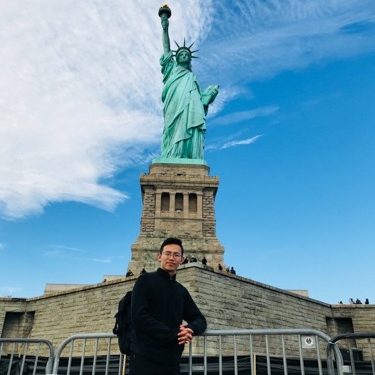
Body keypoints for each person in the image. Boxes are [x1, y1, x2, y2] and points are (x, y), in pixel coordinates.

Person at [129, 237, 207, 375]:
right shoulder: (145, 280)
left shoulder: (181, 291)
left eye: (176, 255)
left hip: (171, 362)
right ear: (159, 256)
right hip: (144, 360)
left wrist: (189, 329)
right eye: (167, 253)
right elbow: (139, 316)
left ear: (182, 260)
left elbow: (199, 319)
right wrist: (174, 334)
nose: (171, 258)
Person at [160, 8, 219, 159]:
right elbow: (167, 50)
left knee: (190, 126)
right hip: (174, 106)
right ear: (177, 58)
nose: (184, 55)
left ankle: (188, 154)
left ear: (190, 59)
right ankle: (173, 154)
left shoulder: (192, 78)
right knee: (172, 130)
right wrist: (165, 28)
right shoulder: (171, 69)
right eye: (181, 54)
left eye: (187, 54)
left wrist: (207, 97)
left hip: (190, 111)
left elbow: (199, 101)